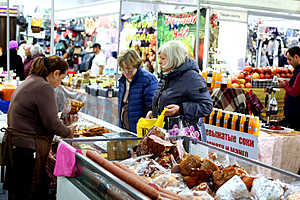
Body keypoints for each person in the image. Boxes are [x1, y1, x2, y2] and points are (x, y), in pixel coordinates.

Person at [3, 56, 77, 200]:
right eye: (61, 78)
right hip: (27, 150)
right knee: (29, 193)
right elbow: (52, 124)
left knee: (18, 193)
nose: (59, 83)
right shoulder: (44, 87)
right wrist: (69, 132)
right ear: (55, 73)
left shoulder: (31, 80)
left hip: (17, 146)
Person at [146, 40, 213, 141]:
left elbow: (206, 106)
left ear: (174, 59)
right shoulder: (167, 75)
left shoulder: (192, 77)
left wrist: (181, 109)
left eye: (163, 59)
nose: (159, 62)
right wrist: (155, 112)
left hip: (184, 138)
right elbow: (165, 99)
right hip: (168, 136)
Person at [118, 49, 158, 133]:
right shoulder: (122, 80)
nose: (126, 72)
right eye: (123, 69)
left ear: (136, 65)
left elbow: (152, 105)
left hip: (140, 129)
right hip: (125, 127)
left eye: (129, 69)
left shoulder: (148, 79)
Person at [279, 46, 300, 131]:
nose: (289, 62)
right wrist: (289, 83)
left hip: (296, 114)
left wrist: (284, 85)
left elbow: (295, 92)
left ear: (296, 57)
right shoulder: (297, 71)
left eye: (290, 59)